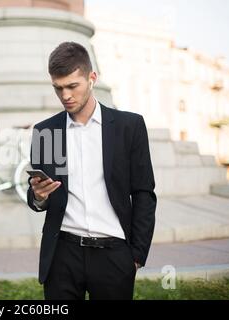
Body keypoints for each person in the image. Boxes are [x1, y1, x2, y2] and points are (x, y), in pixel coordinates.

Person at [27, 42, 157, 300]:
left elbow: (144, 193)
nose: (65, 96)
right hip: (62, 254)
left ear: (92, 78)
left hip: (114, 256)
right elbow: (37, 198)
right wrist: (39, 196)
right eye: (58, 88)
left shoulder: (128, 126)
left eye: (72, 86)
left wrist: (136, 257)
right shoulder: (47, 131)